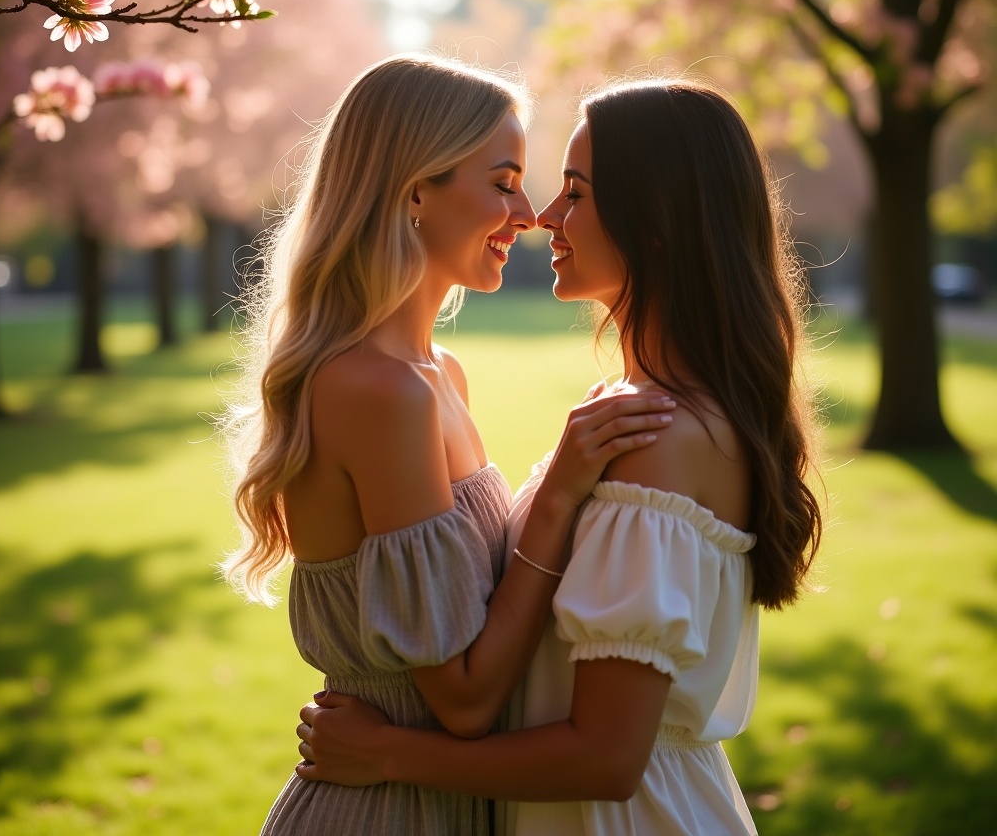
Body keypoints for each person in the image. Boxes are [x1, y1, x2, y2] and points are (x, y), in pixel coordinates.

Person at [294, 78, 824, 836]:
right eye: (509, 184)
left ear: (657, 222)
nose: (540, 215)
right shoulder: (623, 407)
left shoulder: (659, 436)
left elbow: (605, 756)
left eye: (572, 190)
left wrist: (389, 754)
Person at [218, 54, 676, 836]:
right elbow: (463, 701)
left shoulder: (437, 376)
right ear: (416, 191)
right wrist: (561, 491)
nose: (528, 214)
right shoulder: (378, 392)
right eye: (502, 182)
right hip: (387, 810)